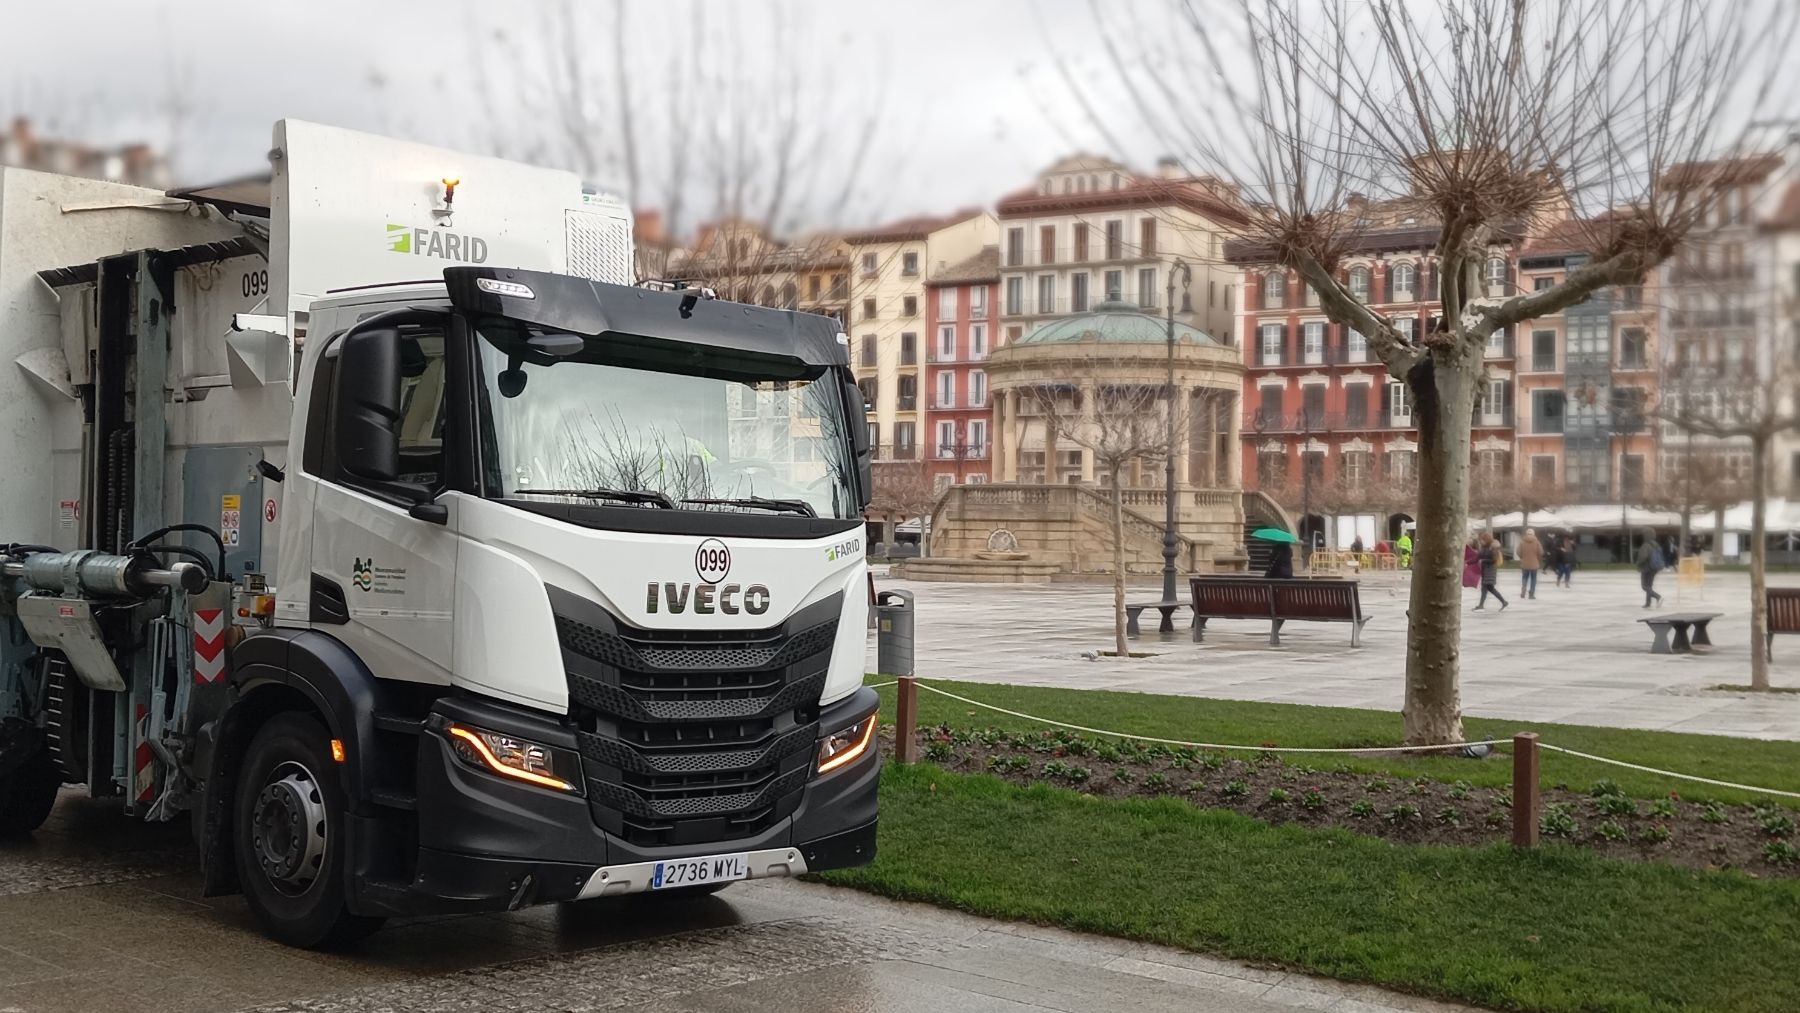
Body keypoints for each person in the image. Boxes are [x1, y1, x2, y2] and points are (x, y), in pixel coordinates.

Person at [1474, 531, 1508, 611]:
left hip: (1490, 570)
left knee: (1486, 587)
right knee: (1489, 588)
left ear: (1486, 539)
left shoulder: (1493, 547)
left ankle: (1481, 605)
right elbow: (1477, 558)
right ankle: (1503, 602)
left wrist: (1483, 561)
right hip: (1485, 570)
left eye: (1482, 540)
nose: (1481, 541)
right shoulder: (1483, 547)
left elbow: (1494, 560)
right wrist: (1467, 563)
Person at [1635, 531, 1665, 608]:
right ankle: (1648, 603)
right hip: (1655, 567)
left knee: (1644, 586)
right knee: (1649, 586)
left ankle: (1658, 597)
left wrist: (1638, 564)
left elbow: (1643, 557)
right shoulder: (1656, 545)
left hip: (1646, 568)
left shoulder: (1646, 545)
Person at [1517, 527, 1543, 599]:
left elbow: (1518, 551)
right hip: (1534, 564)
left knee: (1524, 577)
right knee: (1533, 579)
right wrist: (1537, 557)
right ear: (1533, 534)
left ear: (1526, 534)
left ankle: (1523, 589)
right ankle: (1531, 594)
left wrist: (1522, 557)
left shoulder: (1522, 541)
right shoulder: (1537, 542)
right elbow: (1541, 552)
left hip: (1524, 563)